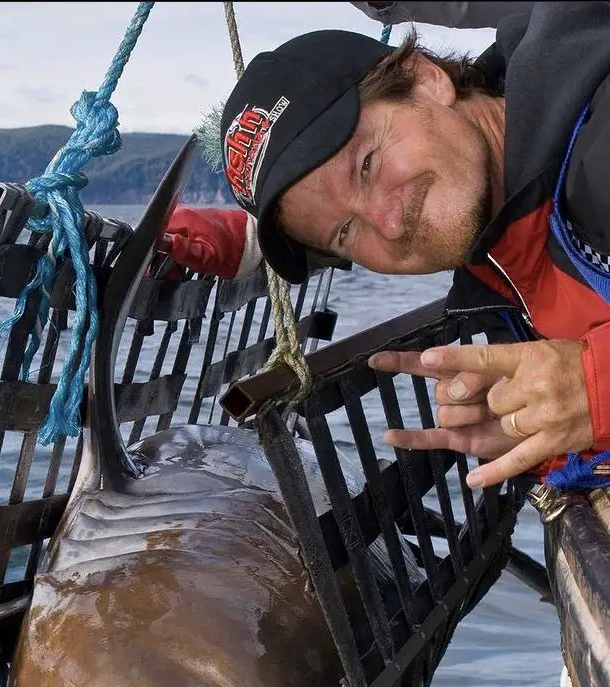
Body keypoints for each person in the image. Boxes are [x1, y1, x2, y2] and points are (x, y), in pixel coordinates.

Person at [165, 3, 610, 490]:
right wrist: (548, 429)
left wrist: (594, 387)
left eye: (367, 164)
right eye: (345, 232)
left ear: (425, 80)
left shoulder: (596, 151)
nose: (390, 224)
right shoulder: (508, 260)